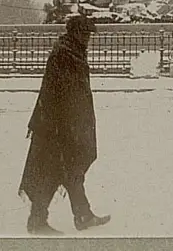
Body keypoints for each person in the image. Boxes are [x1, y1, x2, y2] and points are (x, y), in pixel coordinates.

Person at [18, 15, 110, 236]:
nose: (88, 39)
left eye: (89, 35)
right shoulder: (65, 54)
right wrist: (69, 126)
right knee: (54, 172)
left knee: (70, 171)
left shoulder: (71, 52)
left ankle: (83, 215)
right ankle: (37, 221)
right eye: (85, 34)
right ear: (75, 33)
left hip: (65, 124)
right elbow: (60, 93)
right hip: (57, 126)